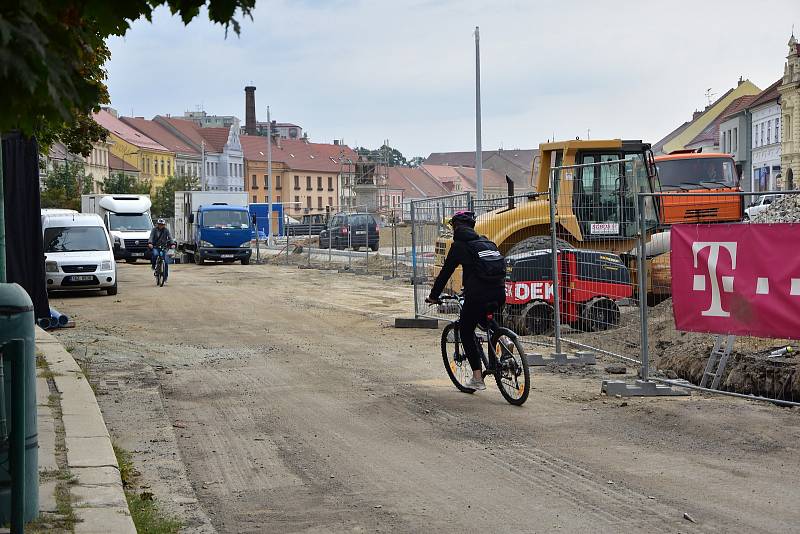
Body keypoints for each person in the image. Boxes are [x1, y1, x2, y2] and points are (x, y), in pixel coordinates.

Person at [425, 211, 505, 390]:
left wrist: (433, 296)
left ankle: (477, 378)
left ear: (455, 227)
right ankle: (503, 340)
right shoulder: (485, 241)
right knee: (486, 320)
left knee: (466, 330)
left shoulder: (459, 245)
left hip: (477, 295)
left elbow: (445, 272)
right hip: (499, 292)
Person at [148, 219, 173, 283]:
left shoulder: (166, 230)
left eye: (162, 225)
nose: (161, 226)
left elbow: (170, 237)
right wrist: (150, 243)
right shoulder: (154, 230)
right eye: (159, 224)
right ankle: (153, 265)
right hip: (155, 247)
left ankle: (165, 277)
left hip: (163, 247)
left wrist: (172, 244)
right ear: (157, 224)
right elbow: (151, 236)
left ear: (164, 225)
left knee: (166, 262)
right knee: (155, 255)